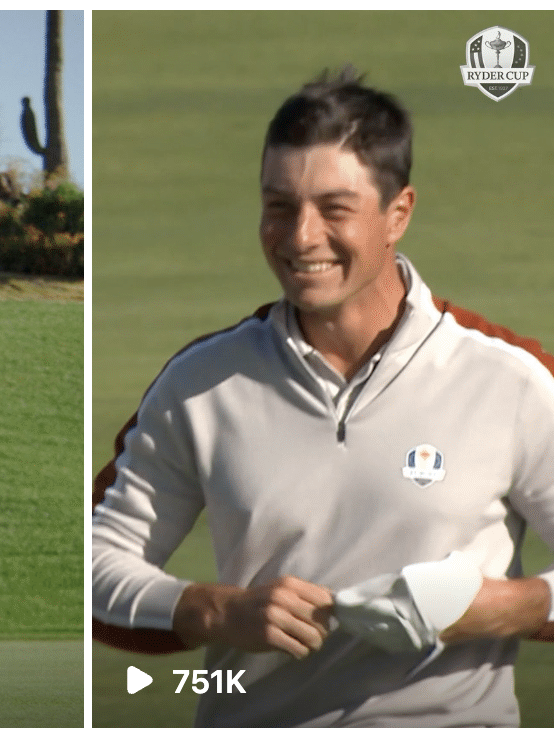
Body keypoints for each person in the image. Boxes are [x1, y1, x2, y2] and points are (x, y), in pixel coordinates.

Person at [91, 68, 553, 727]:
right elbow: (93, 566)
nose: (301, 236)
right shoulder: (199, 382)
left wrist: (508, 607)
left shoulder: (511, 377)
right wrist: (216, 610)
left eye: (335, 209)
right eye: (279, 206)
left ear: (399, 214)